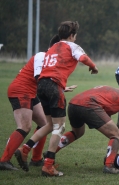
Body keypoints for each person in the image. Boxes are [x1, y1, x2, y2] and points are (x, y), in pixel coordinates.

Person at [14, 21, 98, 177]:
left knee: (50, 124)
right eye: (75, 35)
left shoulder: (53, 47)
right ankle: (48, 166)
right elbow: (84, 58)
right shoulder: (71, 46)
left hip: (41, 85)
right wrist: (94, 67)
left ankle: (24, 149)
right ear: (72, 35)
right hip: (54, 87)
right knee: (59, 127)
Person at [52, 85, 119, 174]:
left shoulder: (108, 91)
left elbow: (111, 127)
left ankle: (50, 153)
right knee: (115, 136)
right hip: (88, 105)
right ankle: (109, 166)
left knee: (78, 132)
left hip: (73, 104)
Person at [0, 35, 62, 171]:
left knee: (44, 124)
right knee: (24, 126)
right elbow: (39, 78)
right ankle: (4, 161)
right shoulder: (42, 55)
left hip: (31, 92)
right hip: (21, 91)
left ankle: (36, 159)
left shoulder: (51, 61)